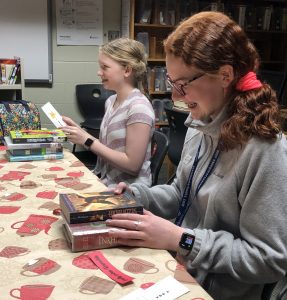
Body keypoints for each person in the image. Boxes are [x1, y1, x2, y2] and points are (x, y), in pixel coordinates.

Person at [105, 11, 287, 300]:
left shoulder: (264, 149)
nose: (176, 96)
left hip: (215, 291)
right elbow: (182, 193)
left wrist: (182, 239)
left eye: (183, 84)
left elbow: (270, 259)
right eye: (171, 81)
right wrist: (138, 197)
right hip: (179, 268)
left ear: (225, 75)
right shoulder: (199, 126)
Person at [61, 38, 155, 188]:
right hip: (105, 180)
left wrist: (87, 141)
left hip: (128, 191)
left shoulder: (139, 107)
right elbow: (107, 148)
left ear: (127, 70)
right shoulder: (111, 101)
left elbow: (132, 165)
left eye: (105, 67)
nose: (99, 72)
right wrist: (79, 133)